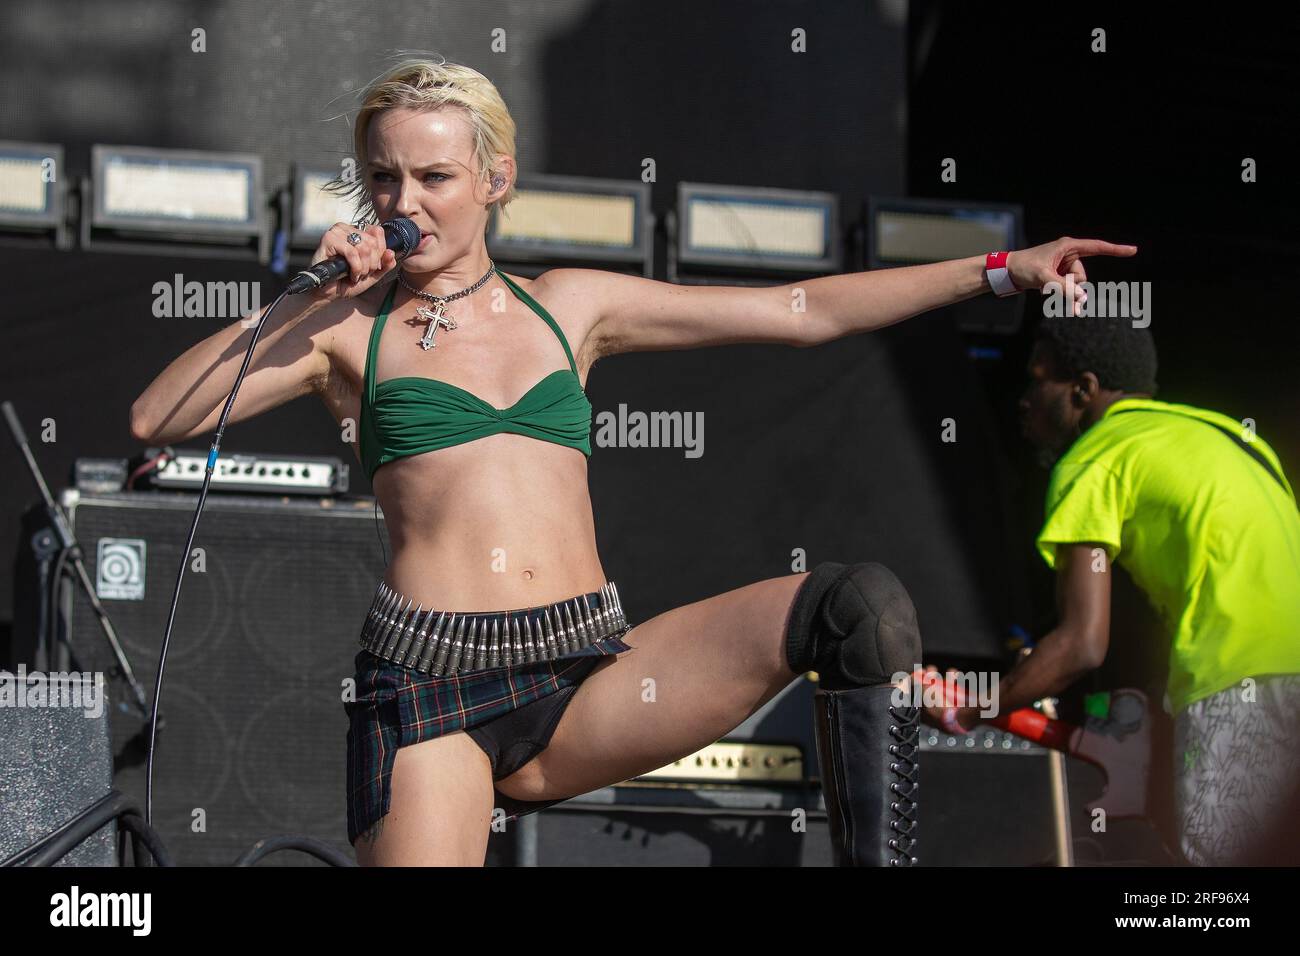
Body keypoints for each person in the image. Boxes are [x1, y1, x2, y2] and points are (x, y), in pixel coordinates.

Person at [129, 55, 1135, 866]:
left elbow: (801, 313)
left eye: (434, 177)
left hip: (586, 668)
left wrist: (1000, 268)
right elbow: (158, 415)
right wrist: (309, 295)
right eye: (385, 176)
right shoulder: (350, 328)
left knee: (856, 609)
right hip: (431, 694)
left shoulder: (568, 304)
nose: (406, 202)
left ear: (494, 180)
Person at [927, 314, 1300, 865]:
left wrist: (979, 707)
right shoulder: (1232, 438)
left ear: (1083, 390)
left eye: (1037, 380)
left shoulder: (1098, 455)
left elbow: (1081, 644)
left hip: (1242, 680)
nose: (1024, 401)